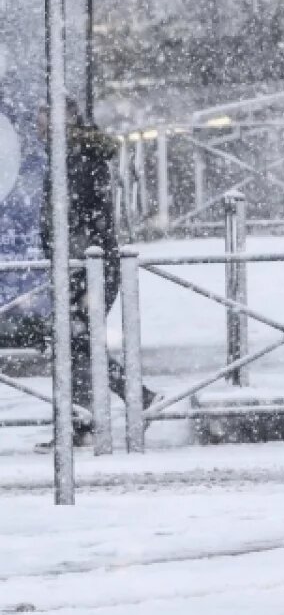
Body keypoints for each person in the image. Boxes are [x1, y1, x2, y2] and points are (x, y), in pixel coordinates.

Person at [36, 104, 158, 449]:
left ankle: (131, 401)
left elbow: (77, 211)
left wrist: (70, 249)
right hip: (83, 262)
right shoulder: (73, 155)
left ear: (64, 121)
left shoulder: (77, 157)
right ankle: (85, 422)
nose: (37, 130)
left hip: (87, 264)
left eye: (42, 123)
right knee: (75, 342)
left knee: (75, 340)